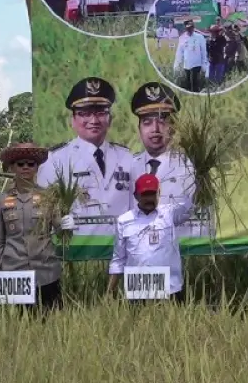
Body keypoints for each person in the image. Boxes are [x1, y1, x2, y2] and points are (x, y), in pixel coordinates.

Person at [38, 76, 134, 236]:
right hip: (77, 251)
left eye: (101, 112)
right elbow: (42, 211)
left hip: (121, 251)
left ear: (110, 119)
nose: (94, 120)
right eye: (85, 113)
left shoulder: (126, 157)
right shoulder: (56, 160)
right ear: (73, 120)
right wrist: (57, 221)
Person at [0, 142, 75, 312]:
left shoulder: (49, 197)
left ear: (37, 168)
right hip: (14, 272)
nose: (25, 167)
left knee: (51, 326)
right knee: (17, 327)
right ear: (12, 167)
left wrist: (67, 226)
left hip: (46, 272)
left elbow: (61, 233)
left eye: (31, 164)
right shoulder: (0, 201)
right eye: (20, 164)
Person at [129, 81, 210, 238]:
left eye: (162, 121)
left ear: (174, 126)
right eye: (147, 122)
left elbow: (204, 222)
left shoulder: (192, 168)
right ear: (139, 128)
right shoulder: (129, 167)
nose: (155, 129)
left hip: (178, 252)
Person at [109, 174, 195, 303]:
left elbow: (194, 203)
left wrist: (202, 178)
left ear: (159, 193)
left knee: (172, 323)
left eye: (152, 194)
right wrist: (109, 292)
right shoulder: (124, 220)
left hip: (169, 286)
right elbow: (118, 260)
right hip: (138, 286)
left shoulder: (170, 214)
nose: (149, 199)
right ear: (136, 196)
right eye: (145, 195)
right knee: (139, 323)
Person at [174, 19, 209, 93]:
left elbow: (203, 51)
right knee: (188, 82)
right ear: (185, 28)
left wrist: (204, 64)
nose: (190, 29)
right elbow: (179, 52)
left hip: (197, 63)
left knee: (194, 81)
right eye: (188, 28)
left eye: (192, 27)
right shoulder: (182, 38)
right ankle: (190, 96)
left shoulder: (199, 37)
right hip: (187, 64)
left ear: (194, 27)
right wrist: (176, 64)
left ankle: (196, 95)